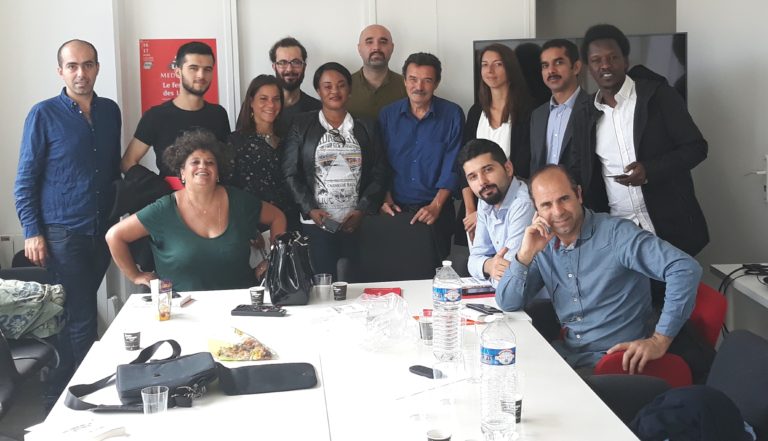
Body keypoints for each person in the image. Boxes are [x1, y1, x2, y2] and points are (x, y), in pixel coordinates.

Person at [496, 165, 701, 373]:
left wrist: (659, 340)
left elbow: (684, 268)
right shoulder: (543, 244)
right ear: (536, 209)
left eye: (564, 199)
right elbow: (507, 302)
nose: (558, 211)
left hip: (615, 363)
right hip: (570, 357)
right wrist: (524, 255)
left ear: (579, 195)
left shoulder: (617, 234)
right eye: (546, 205)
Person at [14, 39, 121, 406]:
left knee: (76, 312)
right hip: (63, 233)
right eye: (72, 66)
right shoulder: (43, 114)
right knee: (82, 316)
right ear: (60, 71)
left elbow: (111, 169)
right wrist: (32, 232)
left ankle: (58, 389)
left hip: (102, 231)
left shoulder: (110, 111)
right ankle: (82, 396)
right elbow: (25, 179)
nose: (81, 73)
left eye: (88, 65)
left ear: (97, 68)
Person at [573, 24, 708, 258]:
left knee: (678, 282)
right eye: (596, 60)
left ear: (625, 61)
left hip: (671, 229)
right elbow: (584, 172)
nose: (605, 65)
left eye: (612, 57)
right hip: (619, 234)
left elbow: (696, 148)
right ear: (587, 67)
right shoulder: (585, 113)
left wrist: (649, 170)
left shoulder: (657, 96)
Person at [106, 129, 287, 291]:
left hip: (239, 306)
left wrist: (274, 260)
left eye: (210, 162)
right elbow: (114, 236)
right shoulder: (164, 209)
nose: (203, 166)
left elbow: (277, 217)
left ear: (218, 173)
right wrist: (136, 276)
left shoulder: (240, 201)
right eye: (195, 162)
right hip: (181, 309)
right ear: (182, 172)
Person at [281, 62, 388, 277]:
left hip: (357, 224)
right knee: (321, 285)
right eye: (327, 86)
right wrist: (310, 209)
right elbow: (290, 172)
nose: (334, 91)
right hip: (316, 225)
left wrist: (362, 209)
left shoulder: (366, 126)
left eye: (341, 85)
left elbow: (379, 171)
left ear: (349, 89)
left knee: (358, 284)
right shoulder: (301, 125)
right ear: (318, 90)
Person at [379, 52, 464, 258]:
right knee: (396, 269)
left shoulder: (452, 114)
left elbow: (454, 164)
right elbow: (380, 160)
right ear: (404, 80)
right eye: (413, 79)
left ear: (436, 83)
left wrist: (436, 205)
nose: (419, 87)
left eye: (427, 80)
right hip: (395, 209)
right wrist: (385, 196)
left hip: (437, 210)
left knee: (437, 271)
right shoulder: (388, 115)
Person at [121, 41, 230, 177]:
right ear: (178, 72)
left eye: (207, 69)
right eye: (193, 68)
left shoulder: (218, 114)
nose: (201, 75)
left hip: (211, 189)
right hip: (169, 190)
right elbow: (128, 162)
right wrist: (157, 185)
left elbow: (226, 162)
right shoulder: (156, 116)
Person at [460, 44, 533, 245]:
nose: (490, 70)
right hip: (475, 208)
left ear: (510, 68)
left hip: (515, 207)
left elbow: (525, 165)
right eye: (484, 65)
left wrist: (487, 211)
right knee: (477, 260)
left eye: (498, 64)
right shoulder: (476, 112)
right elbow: (463, 164)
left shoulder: (527, 111)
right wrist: (471, 210)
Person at [229, 74, 300, 232]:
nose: (271, 105)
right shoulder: (235, 142)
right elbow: (230, 191)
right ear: (251, 102)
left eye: (276, 99)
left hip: (291, 224)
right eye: (263, 99)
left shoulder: (289, 139)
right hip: (253, 226)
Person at [458, 139, 534, 285]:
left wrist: (489, 268)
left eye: (488, 170)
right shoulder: (485, 200)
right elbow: (473, 259)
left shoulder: (524, 203)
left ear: (508, 168)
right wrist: (489, 265)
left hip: (531, 295)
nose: (482, 182)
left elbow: (509, 275)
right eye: (473, 177)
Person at [529, 38, 590, 176]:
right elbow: (535, 165)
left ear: (576, 67)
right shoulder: (537, 115)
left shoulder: (593, 108)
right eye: (545, 65)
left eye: (558, 62)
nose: (551, 70)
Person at [346, 24, 407, 121]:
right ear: (359, 48)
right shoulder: (344, 86)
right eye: (369, 42)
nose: (376, 47)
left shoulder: (408, 86)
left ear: (392, 48)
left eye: (383, 42)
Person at [269, 37, 322, 136]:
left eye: (296, 62)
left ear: (304, 67)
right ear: (274, 67)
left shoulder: (318, 110)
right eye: (282, 63)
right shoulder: (259, 107)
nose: (289, 69)